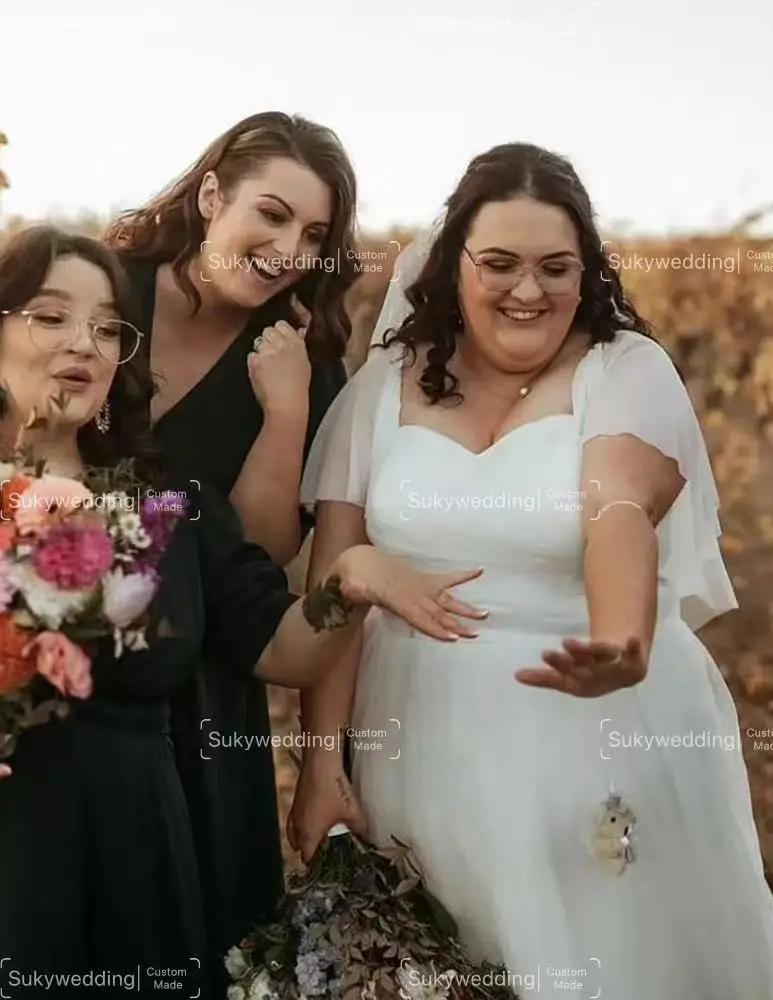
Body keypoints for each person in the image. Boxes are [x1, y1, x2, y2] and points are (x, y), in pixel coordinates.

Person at [293, 142, 773, 998]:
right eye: (498, 264)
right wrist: (321, 766)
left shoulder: (626, 372)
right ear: (452, 264)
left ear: (586, 271)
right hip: (418, 734)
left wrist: (622, 636)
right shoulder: (381, 388)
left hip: (594, 724)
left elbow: (616, 509)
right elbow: (336, 584)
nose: (527, 291)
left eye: (554, 268)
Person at [0, 226, 480, 998]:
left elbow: (282, 648)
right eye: (50, 316)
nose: (81, 342)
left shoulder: (170, 507)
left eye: (106, 326)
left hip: (138, 864)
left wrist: (349, 582)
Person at [102, 112, 357, 973]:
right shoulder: (104, 290)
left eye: (314, 233)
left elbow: (257, 550)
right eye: (272, 215)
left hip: (202, 681)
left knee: (196, 934)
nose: (289, 247)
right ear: (212, 195)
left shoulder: (304, 355)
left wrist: (285, 412)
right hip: (48, 643)